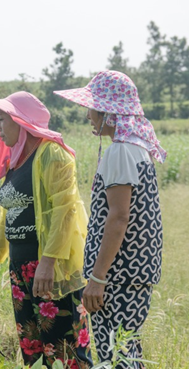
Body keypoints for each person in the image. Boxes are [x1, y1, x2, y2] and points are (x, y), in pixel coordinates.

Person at [0, 92, 93, 368]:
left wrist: (47, 263)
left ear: (20, 121)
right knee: (33, 350)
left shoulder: (52, 154)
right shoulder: (17, 159)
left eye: (2, 120)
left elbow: (65, 211)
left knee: (66, 351)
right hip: (21, 268)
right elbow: (8, 215)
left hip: (51, 269)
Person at [54, 70, 166, 368]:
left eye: (92, 108)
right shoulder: (137, 150)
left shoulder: (120, 152)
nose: (88, 115)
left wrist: (98, 279)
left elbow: (118, 218)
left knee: (113, 356)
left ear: (109, 112)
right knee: (126, 353)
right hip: (131, 274)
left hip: (117, 277)